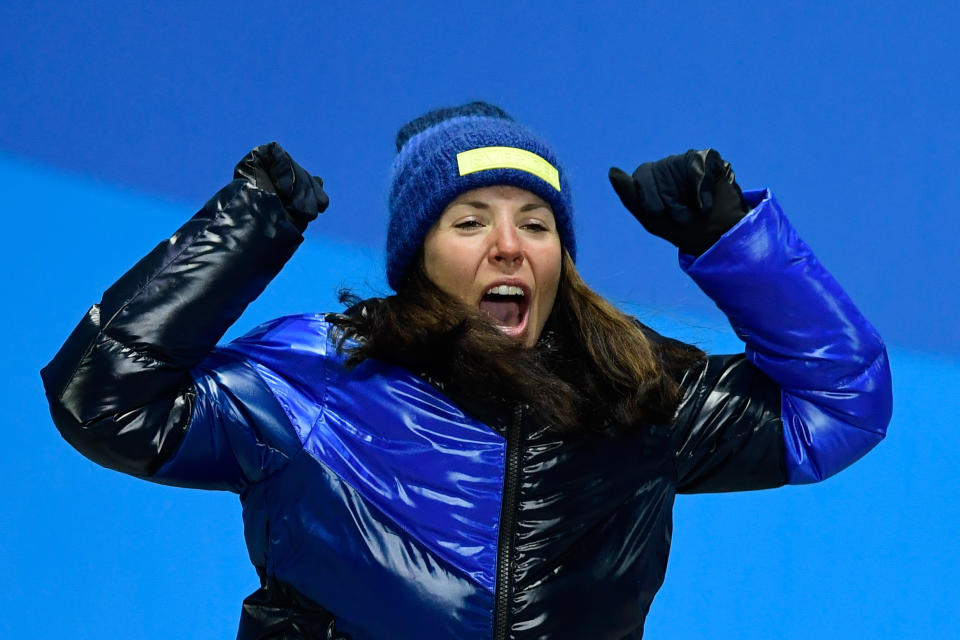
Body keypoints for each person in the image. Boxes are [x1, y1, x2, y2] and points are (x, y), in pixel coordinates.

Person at [41, 101, 892, 639]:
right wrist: (248, 226)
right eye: (469, 219)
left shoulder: (636, 395)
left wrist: (728, 238)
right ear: (418, 257)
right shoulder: (315, 382)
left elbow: (843, 405)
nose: (509, 246)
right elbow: (103, 397)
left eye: (536, 222)